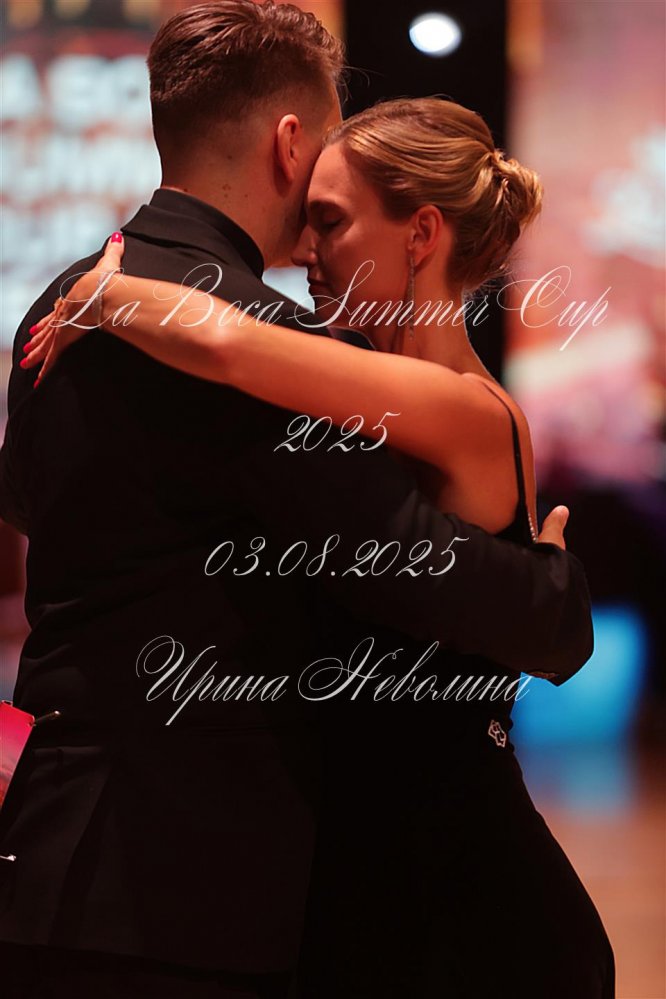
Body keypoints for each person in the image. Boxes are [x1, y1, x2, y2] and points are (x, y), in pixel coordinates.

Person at [0, 2, 599, 997]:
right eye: (317, 204)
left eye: (337, 220)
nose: (316, 247)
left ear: (422, 232)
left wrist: (113, 292)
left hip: (78, 860)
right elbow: (412, 562)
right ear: (288, 144)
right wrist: (553, 590)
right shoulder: (263, 346)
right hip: (200, 895)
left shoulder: (61, 308)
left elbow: (29, 498)